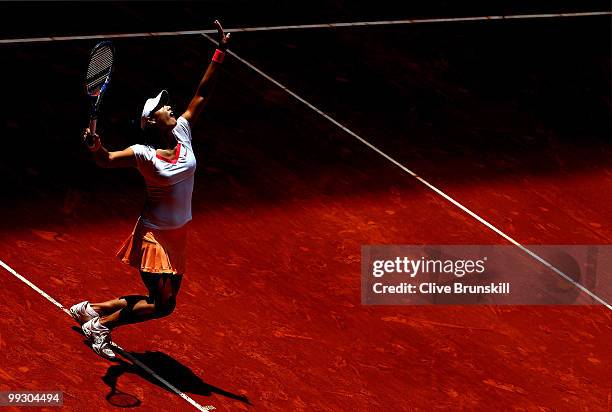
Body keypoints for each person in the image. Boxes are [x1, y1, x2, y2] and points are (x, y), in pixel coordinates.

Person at [70, 20, 231, 359]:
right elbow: (106, 159)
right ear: (153, 120)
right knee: (163, 304)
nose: (171, 107)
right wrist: (95, 146)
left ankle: (90, 309)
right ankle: (100, 327)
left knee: (160, 301)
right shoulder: (144, 155)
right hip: (154, 239)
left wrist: (220, 51)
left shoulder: (184, 132)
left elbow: (202, 93)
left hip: (177, 237)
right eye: (163, 106)